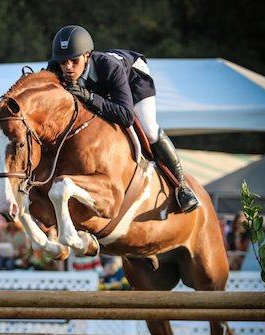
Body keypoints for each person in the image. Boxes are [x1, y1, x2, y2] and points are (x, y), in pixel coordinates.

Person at [48, 25, 198, 213]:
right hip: (101, 88)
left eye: (73, 61)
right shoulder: (56, 68)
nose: (68, 68)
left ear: (87, 56)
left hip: (134, 80)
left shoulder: (109, 67)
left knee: (149, 129)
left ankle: (182, 187)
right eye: (63, 62)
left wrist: (90, 97)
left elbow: (126, 116)